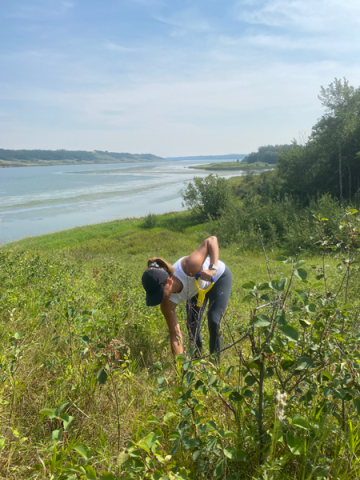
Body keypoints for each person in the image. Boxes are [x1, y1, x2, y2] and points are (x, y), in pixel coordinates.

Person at [141, 236, 232, 359]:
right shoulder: (166, 303)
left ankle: (216, 366)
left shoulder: (189, 266)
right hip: (196, 289)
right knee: (192, 325)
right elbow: (175, 334)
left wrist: (212, 269)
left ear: (169, 281)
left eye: (160, 292)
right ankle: (196, 359)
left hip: (218, 278)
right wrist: (179, 366)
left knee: (214, 319)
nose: (160, 297)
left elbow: (212, 240)